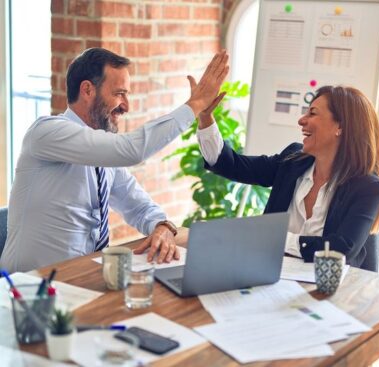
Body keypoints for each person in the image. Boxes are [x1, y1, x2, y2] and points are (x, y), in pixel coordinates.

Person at [0, 47, 228, 272]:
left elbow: (137, 205)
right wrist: (196, 104)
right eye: (119, 93)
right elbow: (131, 150)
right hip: (27, 288)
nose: (126, 106)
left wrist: (162, 225)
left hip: (81, 279)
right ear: (88, 90)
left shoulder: (102, 154)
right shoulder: (47, 132)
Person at [196, 85, 379, 268]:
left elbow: (341, 249)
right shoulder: (293, 161)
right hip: (270, 277)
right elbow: (232, 165)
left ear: (341, 127)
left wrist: (275, 238)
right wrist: (205, 117)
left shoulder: (368, 188)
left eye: (312, 113)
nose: (301, 120)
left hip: (329, 292)